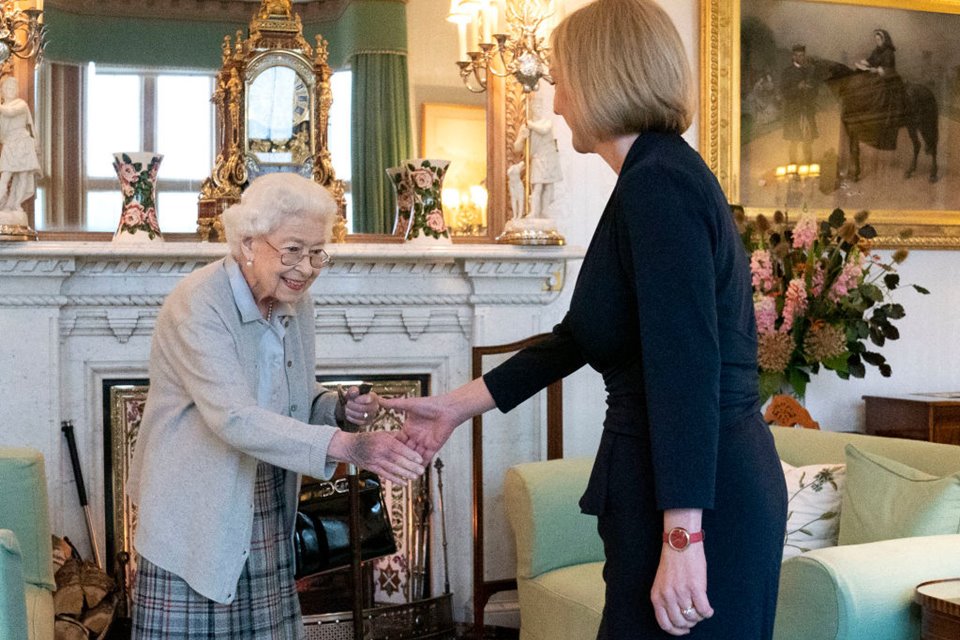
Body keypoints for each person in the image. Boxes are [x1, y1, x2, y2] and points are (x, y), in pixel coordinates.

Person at [383, 1, 787, 638]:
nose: (557, 96)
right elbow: (583, 336)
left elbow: (685, 368)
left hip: (698, 498)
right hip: (669, 487)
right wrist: (456, 406)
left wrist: (683, 537)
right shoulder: (650, 177)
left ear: (602, 77)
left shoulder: (658, 184)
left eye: (562, 75)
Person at [127, 172, 425, 639]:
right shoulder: (198, 302)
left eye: (316, 253)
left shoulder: (294, 303)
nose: (305, 268)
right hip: (196, 511)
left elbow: (295, 399)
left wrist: (338, 409)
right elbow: (233, 415)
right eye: (292, 250)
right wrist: (348, 445)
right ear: (248, 243)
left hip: (265, 499)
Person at [854, 28, 906, 150]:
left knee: (879, 92)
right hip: (877, 77)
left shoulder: (888, 52)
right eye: (875, 39)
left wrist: (876, 70)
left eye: (878, 39)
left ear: (884, 40)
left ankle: (879, 116)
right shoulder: (877, 51)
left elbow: (888, 69)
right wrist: (864, 63)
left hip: (889, 80)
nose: (877, 41)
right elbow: (871, 60)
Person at [513, 96, 562, 218]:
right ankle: (534, 212)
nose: (538, 109)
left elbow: (544, 130)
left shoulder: (546, 123)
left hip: (549, 158)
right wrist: (523, 137)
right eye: (536, 107)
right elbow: (517, 148)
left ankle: (544, 211)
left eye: (540, 107)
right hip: (538, 158)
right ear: (532, 109)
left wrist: (531, 125)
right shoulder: (525, 127)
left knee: (548, 187)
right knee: (538, 186)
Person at [0, 76, 41, 215]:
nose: (10, 90)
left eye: (13, 88)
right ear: (2, 91)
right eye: (7, 88)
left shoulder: (21, 104)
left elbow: (10, 112)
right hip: (10, 144)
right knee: (5, 175)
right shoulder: (3, 108)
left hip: (23, 143)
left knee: (23, 175)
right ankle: (2, 203)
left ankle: (16, 204)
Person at [780, 44, 819, 164]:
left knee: (808, 141)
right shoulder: (787, 72)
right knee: (794, 141)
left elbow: (816, 91)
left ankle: (808, 166)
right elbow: (784, 92)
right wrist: (798, 87)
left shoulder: (810, 71)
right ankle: (793, 168)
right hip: (793, 112)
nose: (800, 57)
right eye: (797, 55)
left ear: (805, 56)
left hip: (807, 111)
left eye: (802, 55)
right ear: (793, 57)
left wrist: (810, 89)